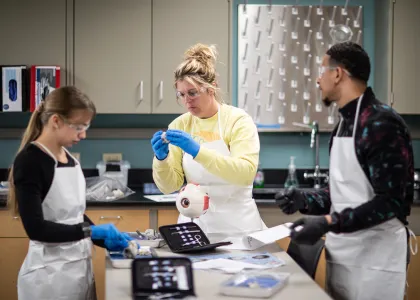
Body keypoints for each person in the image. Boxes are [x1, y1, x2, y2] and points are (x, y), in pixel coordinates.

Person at [275, 42, 416, 300]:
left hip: (377, 259)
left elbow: (390, 202)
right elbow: (343, 192)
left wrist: (328, 222)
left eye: (322, 71)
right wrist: (305, 200)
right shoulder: (344, 124)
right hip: (343, 255)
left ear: (338, 74)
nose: (318, 80)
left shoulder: (380, 123)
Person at [8, 86, 134, 300]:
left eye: (86, 127)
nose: (83, 135)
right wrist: (90, 232)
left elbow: (73, 214)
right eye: (78, 127)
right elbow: (36, 229)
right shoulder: (31, 161)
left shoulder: (70, 159)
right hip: (48, 279)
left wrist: (104, 239)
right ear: (56, 121)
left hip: (79, 272)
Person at [151, 43, 265, 241]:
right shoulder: (180, 124)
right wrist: (161, 159)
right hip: (194, 229)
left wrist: (197, 151)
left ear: (212, 89)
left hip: (238, 230)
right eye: (182, 94)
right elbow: (169, 187)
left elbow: (245, 174)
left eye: (193, 93)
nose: (187, 101)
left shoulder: (237, 120)